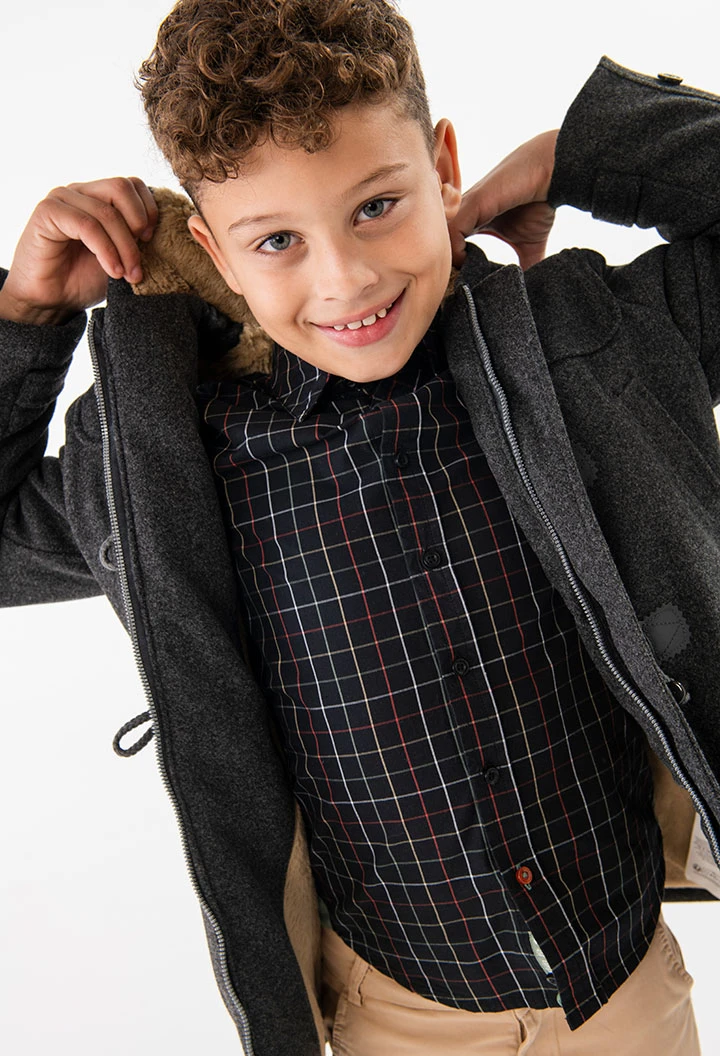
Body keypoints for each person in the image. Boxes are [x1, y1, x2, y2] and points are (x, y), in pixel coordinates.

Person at [0, 0, 718, 1052]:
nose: (345, 279)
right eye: (277, 239)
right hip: (398, 1014)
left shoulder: (583, 347)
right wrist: (28, 318)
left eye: (379, 205)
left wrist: (587, 150)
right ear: (212, 250)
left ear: (441, 164)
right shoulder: (178, 470)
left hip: (622, 985)